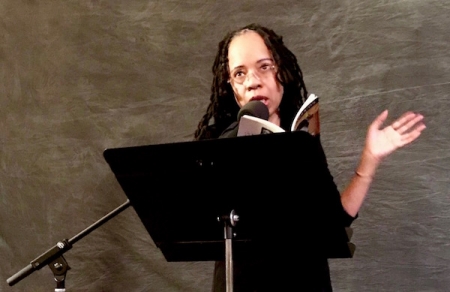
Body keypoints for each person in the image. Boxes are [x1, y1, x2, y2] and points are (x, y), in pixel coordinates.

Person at [194, 23, 426, 292]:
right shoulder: (215, 143)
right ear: (232, 86)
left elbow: (336, 219)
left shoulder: (302, 137)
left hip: (304, 279)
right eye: (239, 73)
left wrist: (370, 158)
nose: (253, 81)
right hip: (242, 281)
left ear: (282, 71)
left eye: (265, 66)